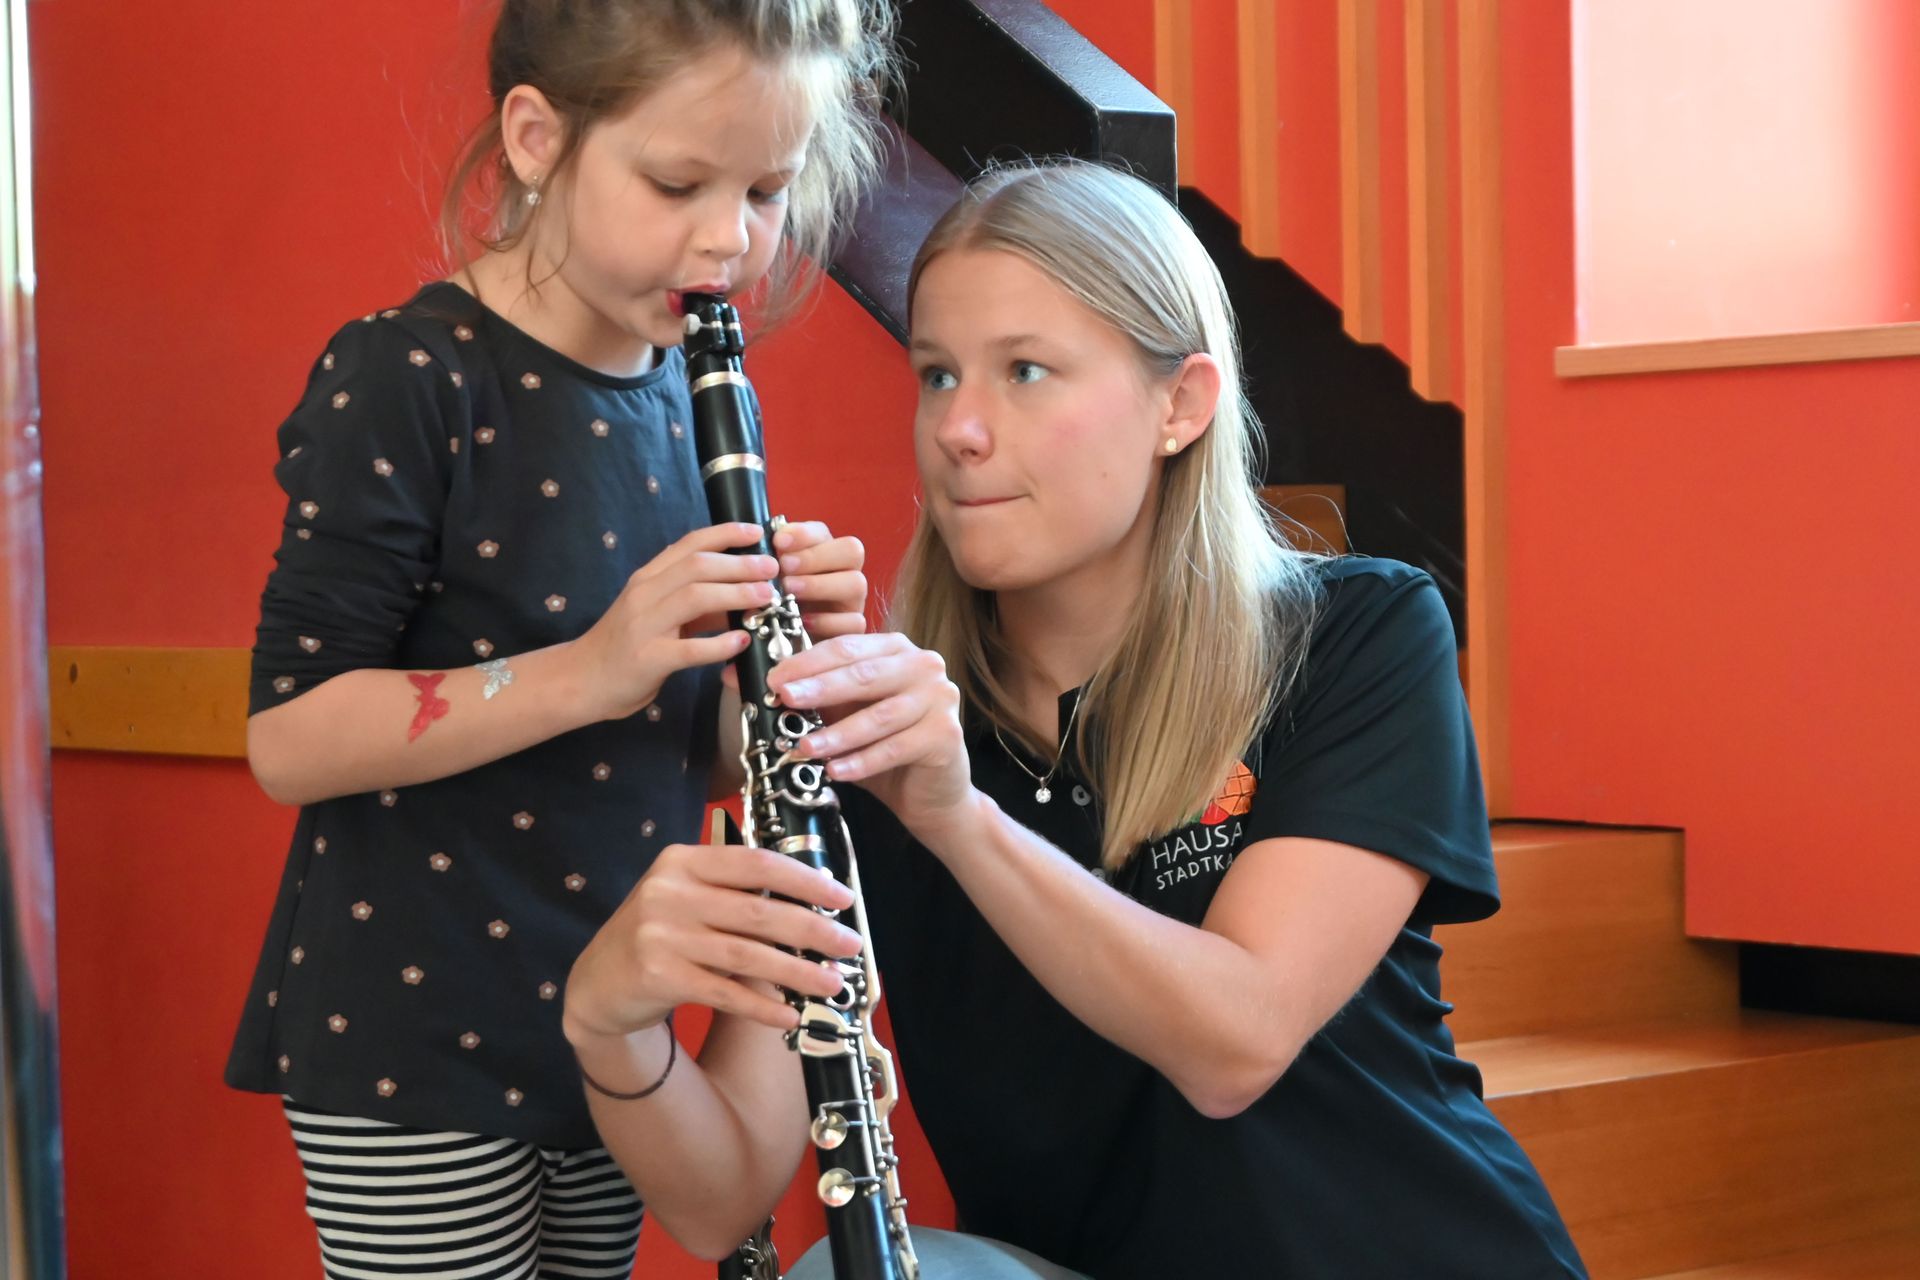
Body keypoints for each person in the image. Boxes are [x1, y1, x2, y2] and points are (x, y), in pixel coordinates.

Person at [562, 159, 1590, 1279]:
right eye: (939, 373)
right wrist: (612, 1026)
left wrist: (956, 816)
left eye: (1027, 371)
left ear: (1179, 405)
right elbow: (718, 1204)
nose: (959, 427)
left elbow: (1236, 1040)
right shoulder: (872, 729)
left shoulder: (1356, 631)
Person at [223, 3, 894, 1277]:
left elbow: (684, 758)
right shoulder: (412, 375)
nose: (729, 240)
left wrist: (793, 678)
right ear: (537, 138)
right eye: (677, 181)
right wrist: (594, 664)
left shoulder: (692, 401)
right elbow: (290, 735)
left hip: (620, 1040)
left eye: (768, 189)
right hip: (409, 1042)